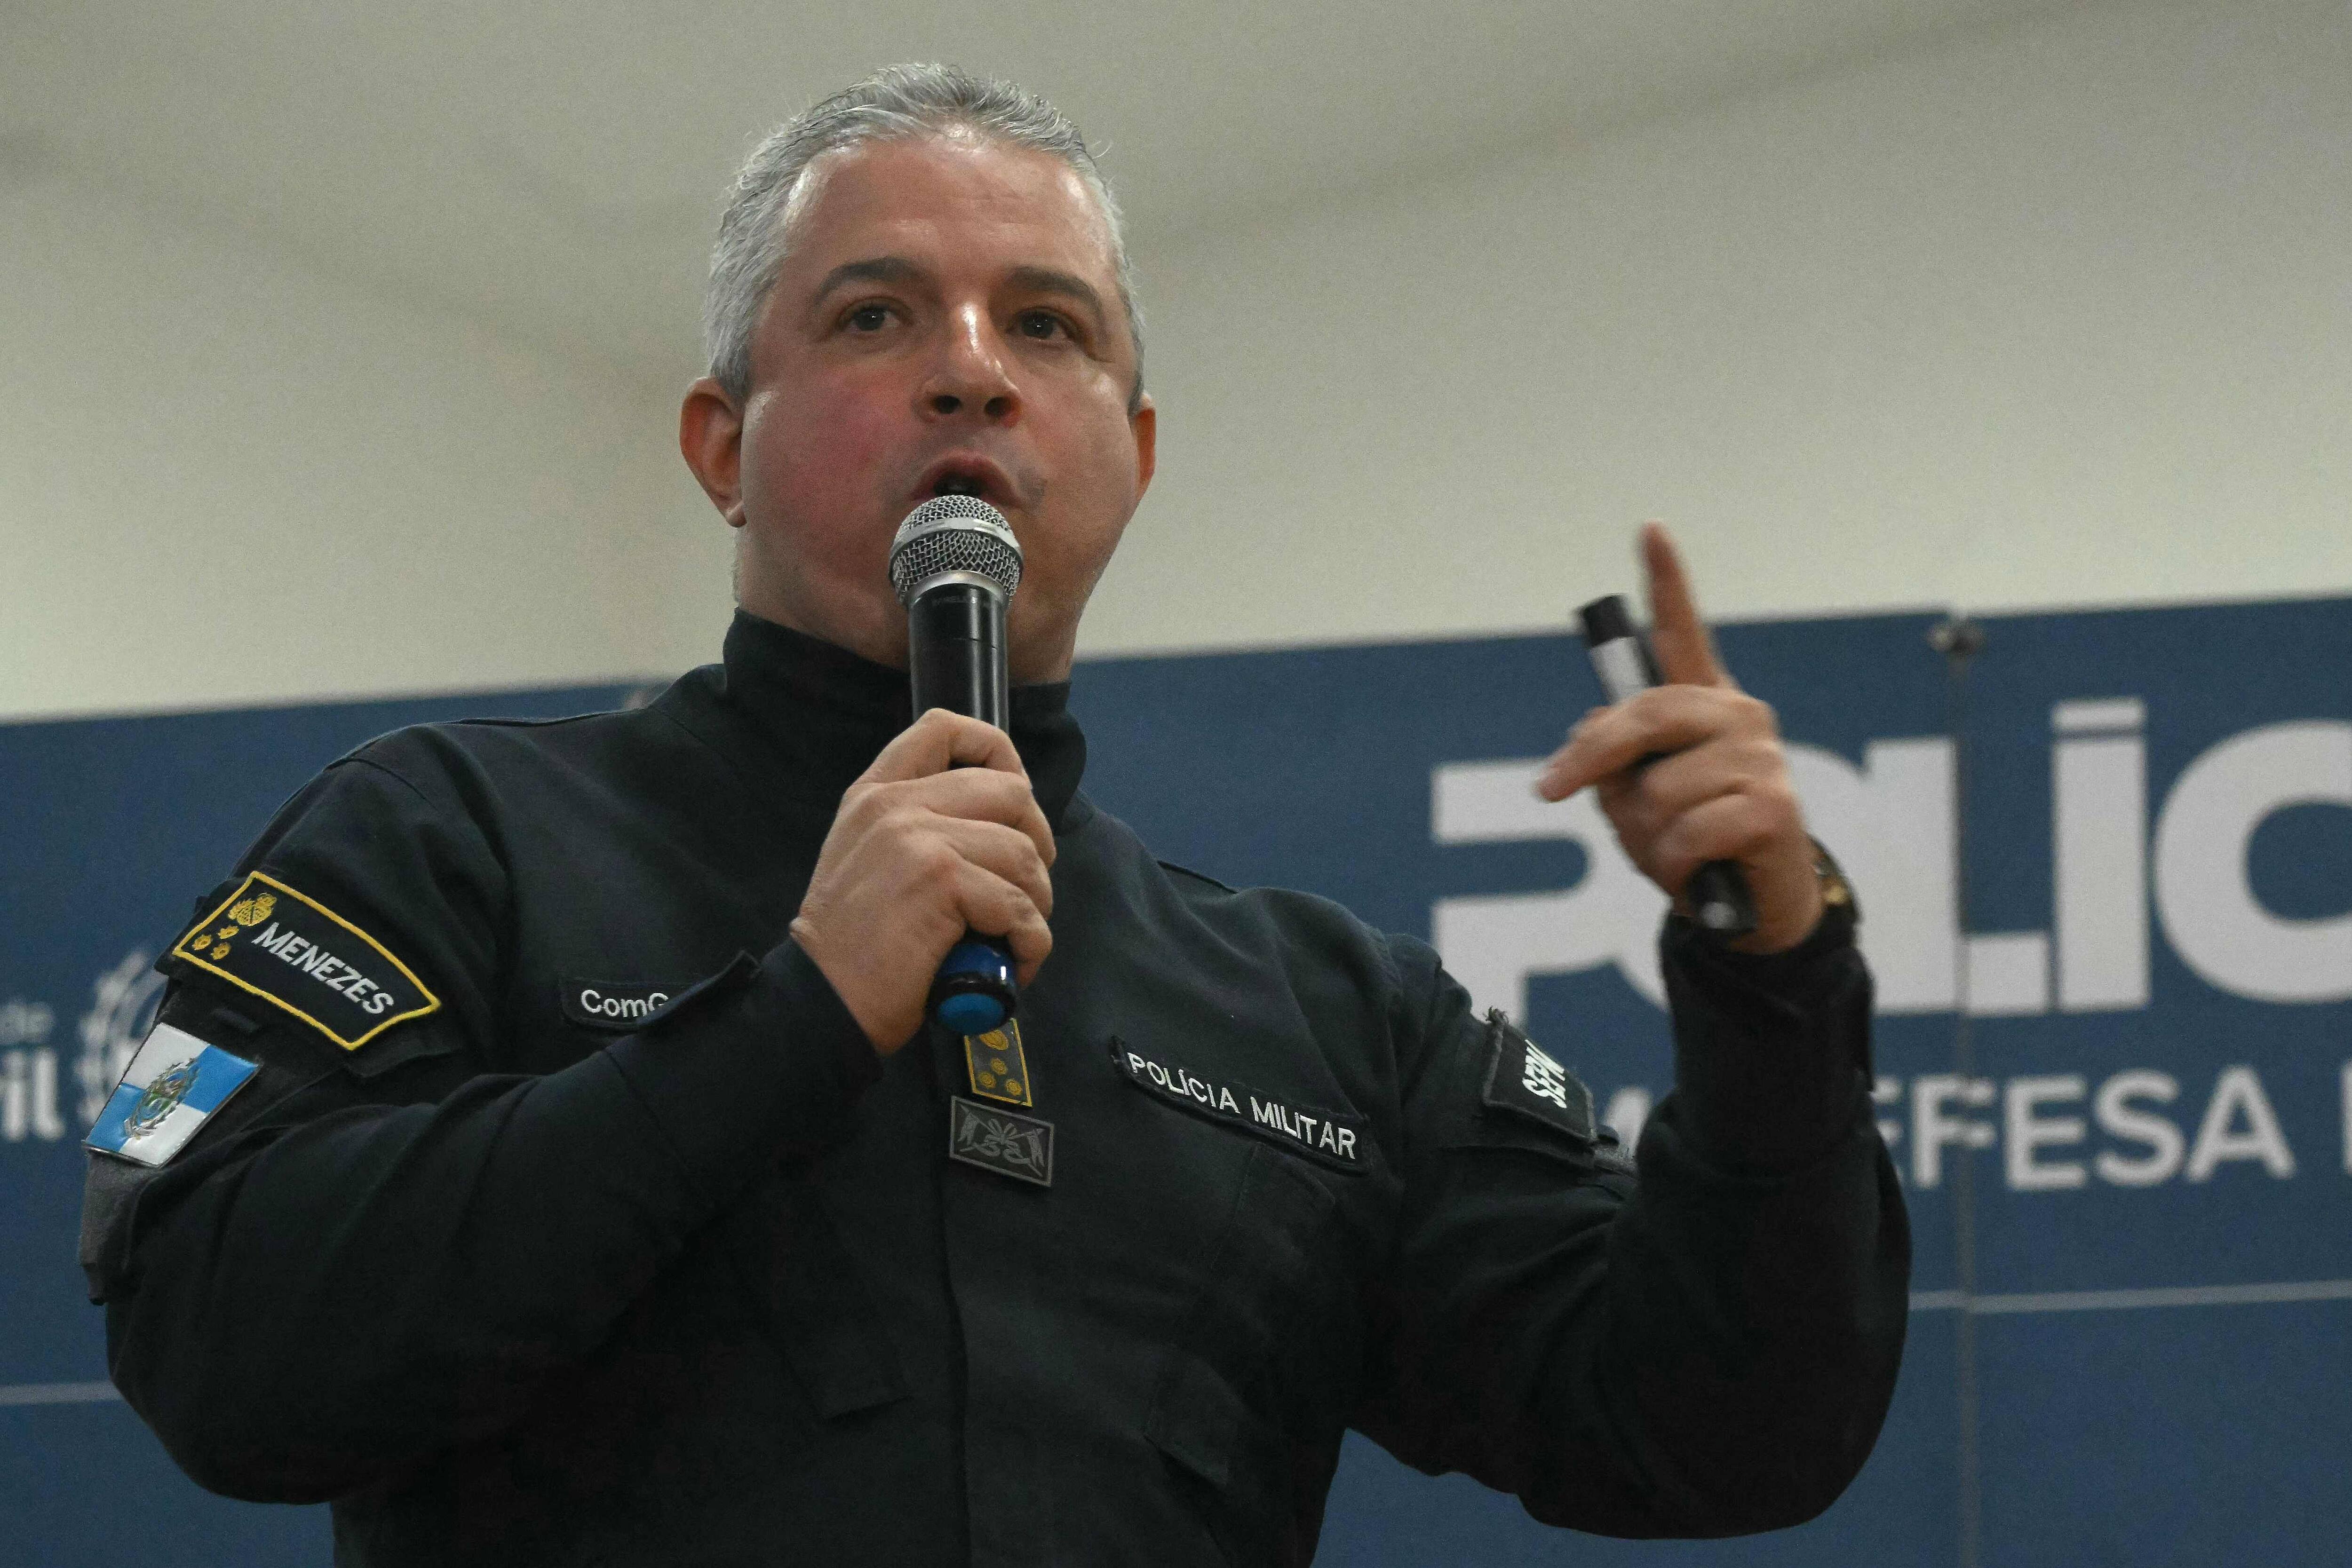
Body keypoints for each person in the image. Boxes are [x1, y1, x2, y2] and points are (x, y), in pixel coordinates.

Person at [80, 63, 1906, 1566]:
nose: (971, 368)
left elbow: (1722, 1431)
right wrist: (790, 1019)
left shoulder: (1328, 1019)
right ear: (720, 445)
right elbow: (206, 1328)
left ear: (1134, 451)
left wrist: (1773, 976)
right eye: (876, 315)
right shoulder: (436, 838)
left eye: (1046, 324)